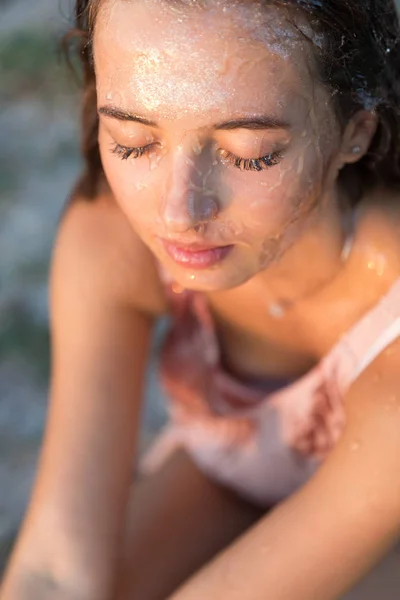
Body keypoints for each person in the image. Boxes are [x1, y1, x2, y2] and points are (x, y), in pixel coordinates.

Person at [2, 0, 400, 598]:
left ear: (355, 132)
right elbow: (56, 568)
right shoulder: (112, 242)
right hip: (235, 473)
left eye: (250, 153)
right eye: (134, 142)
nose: (178, 213)